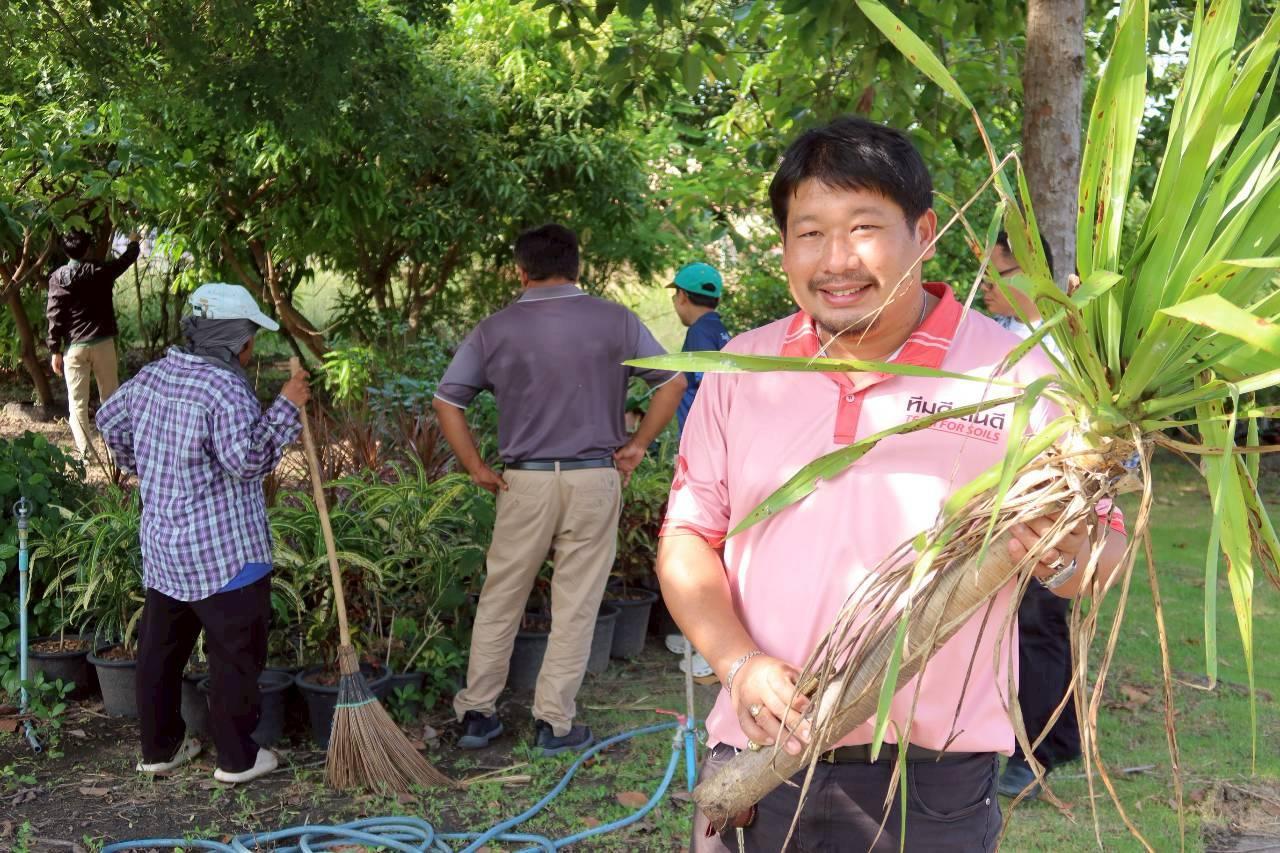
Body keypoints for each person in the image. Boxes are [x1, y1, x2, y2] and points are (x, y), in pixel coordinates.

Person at [656, 116, 1128, 851]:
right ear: (785, 247)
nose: (836, 259)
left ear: (924, 232)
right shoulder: (741, 371)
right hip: (754, 759)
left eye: (864, 227)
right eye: (810, 232)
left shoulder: (1018, 376)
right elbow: (689, 536)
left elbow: (1099, 561)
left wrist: (1064, 554)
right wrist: (738, 664)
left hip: (930, 783)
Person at [432, 223, 686, 757]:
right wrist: (638, 445)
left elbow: (447, 401)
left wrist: (476, 466)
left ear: (520, 271)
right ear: (577, 266)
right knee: (576, 603)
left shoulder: (495, 328)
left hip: (523, 480)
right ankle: (554, 723)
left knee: (502, 596)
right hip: (594, 476)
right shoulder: (616, 320)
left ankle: (478, 714)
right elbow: (672, 382)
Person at [97, 283, 309, 785]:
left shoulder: (154, 375)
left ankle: (160, 749)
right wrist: (286, 405)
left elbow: (108, 420)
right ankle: (237, 759)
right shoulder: (225, 389)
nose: (251, 348)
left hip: (166, 549)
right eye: (250, 338)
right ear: (236, 342)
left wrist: (144, 466)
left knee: (161, 652)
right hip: (225, 555)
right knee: (235, 657)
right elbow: (247, 461)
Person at [981, 231, 1081, 799]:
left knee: (1037, 626)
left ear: (1025, 273)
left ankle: (1035, 754)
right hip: (995, 506)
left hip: (1047, 506)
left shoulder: (1065, 343)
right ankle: (1040, 741)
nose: (985, 287)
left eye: (994, 274)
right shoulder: (998, 339)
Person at [665, 262, 732, 684]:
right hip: (721, 448)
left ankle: (710, 648)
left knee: (696, 542)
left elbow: (701, 387)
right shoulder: (721, 331)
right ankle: (696, 633)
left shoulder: (698, 334)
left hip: (704, 454)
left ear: (682, 297)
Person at [46, 229, 141, 461]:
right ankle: (115, 454)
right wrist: (133, 243)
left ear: (65, 251)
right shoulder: (100, 271)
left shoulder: (58, 277)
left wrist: (54, 349)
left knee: (77, 404)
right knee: (110, 400)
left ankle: (85, 456)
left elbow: (54, 315)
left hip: (74, 348)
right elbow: (124, 262)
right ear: (88, 249)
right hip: (102, 344)